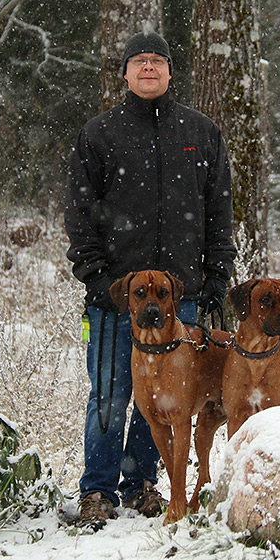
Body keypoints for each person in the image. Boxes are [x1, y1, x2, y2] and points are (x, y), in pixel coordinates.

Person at [64, 30, 236, 531]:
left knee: (163, 402)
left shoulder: (201, 133)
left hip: (180, 295)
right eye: (138, 61)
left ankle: (140, 484)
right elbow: (79, 212)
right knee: (110, 395)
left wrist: (216, 279)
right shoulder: (100, 134)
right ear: (124, 72)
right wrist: (96, 278)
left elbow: (219, 212)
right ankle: (97, 490)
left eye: (157, 61)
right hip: (117, 297)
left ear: (169, 71)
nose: (147, 68)